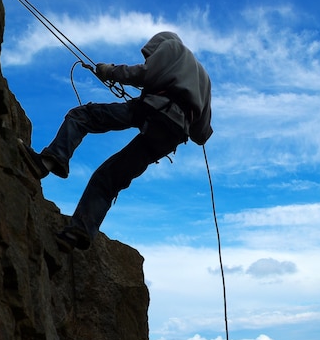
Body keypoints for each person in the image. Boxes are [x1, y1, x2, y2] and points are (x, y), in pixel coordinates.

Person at [19, 31, 212, 252]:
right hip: (171, 136)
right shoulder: (204, 78)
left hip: (152, 111)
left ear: (157, 45)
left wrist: (109, 71)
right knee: (108, 178)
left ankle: (50, 161)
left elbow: (146, 74)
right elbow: (201, 134)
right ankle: (78, 231)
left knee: (82, 116)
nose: (148, 58)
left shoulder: (172, 47)